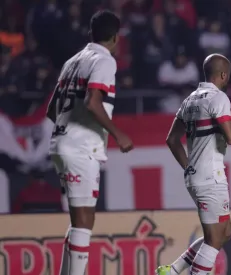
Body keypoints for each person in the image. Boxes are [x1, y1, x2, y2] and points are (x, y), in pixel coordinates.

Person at [156, 54, 231, 275]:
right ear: (223, 75)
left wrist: (188, 166)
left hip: (196, 176)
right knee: (215, 238)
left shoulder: (189, 100)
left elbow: (172, 139)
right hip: (210, 177)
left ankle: (172, 271)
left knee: (225, 232)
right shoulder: (218, 98)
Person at [46, 10, 133, 275]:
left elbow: (52, 109)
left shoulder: (72, 61)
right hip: (81, 147)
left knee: (78, 219)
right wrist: (118, 134)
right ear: (116, 38)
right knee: (85, 220)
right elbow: (93, 102)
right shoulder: (104, 61)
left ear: (90, 33)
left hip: (61, 142)